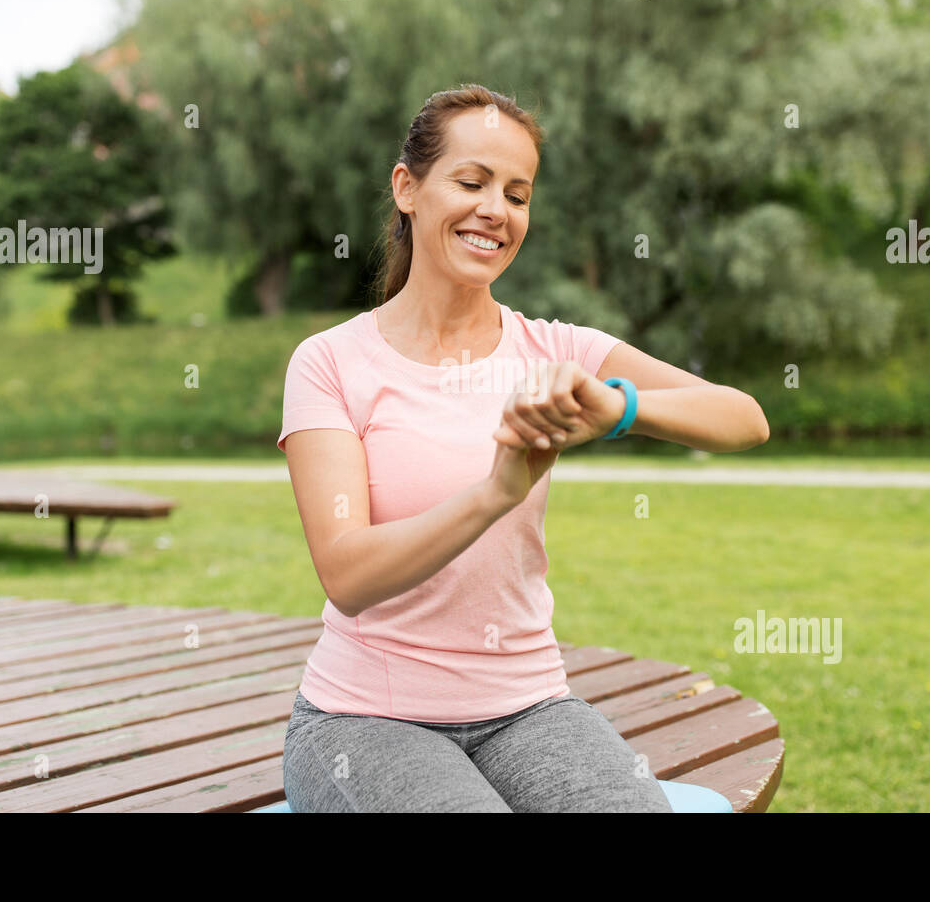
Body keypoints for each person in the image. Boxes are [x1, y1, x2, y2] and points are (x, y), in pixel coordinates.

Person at [277, 83, 769, 812]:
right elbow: (346, 573)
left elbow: (744, 417)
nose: (495, 211)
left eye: (517, 193)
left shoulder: (553, 347)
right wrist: (493, 495)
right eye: (471, 183)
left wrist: (617, 409)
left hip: (528, 706)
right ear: (407, 189)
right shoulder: (330, 363)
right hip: (363, 719)